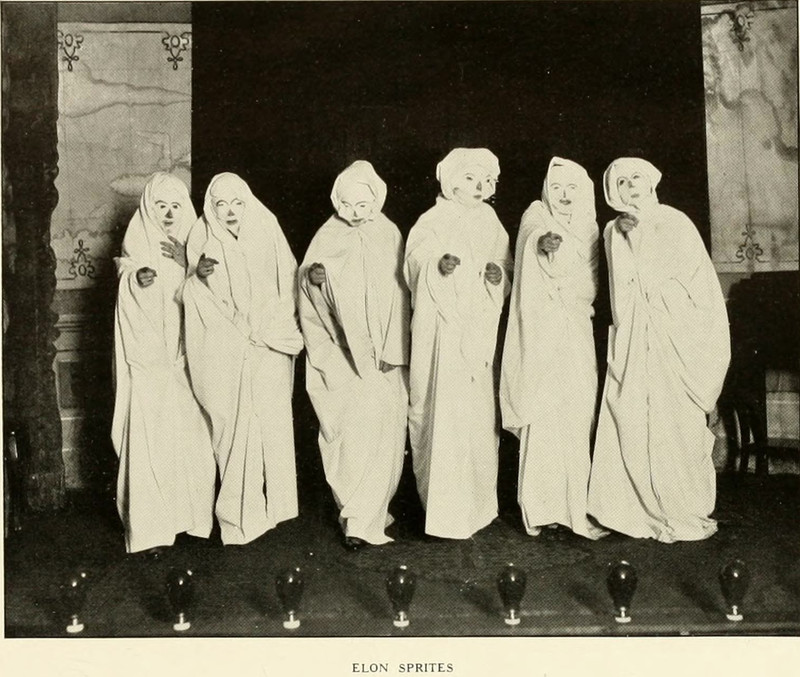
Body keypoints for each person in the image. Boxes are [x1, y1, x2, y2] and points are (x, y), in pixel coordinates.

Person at [588, 158, 730, 542]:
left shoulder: (676, 222)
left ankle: (680, 507)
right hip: (636, 341)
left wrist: (673, 311)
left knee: (677, 424)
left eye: (637, 177)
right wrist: (622, 237)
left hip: (675, 336)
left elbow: (697, 285)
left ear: (651, 181)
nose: (631, 185)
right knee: (632, 416)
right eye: (622, 181)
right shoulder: (613, 230)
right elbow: (622, 290)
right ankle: (631, 508)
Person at [182, 173, 304, 545]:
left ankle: (278, 508)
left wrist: (271, 328)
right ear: (211, 207)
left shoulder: (267, 227)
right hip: (227, 351)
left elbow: (289, 281)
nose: (230, 211)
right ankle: (238, 516)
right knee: (235, 429)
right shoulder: (202, 236)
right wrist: (198, 275)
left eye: (237, 202)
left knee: (273, 424)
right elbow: (194, 294)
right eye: (221, 204)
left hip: (269, 346)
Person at [299, 161, 410, 551]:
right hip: (342, 356)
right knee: (349, 438)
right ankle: (355, 513)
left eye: (364, 205)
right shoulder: (327, 235)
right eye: (349, 205)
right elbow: (308, 287)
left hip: (383, 358)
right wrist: (314, 281)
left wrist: (395, 350)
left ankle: (365, 519)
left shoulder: (389, 234)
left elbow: (402, 294)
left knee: (384, 434)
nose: (356, 213)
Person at [404, 148, 512, 539]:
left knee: (477, 416)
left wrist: (498, 276)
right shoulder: (432, 220)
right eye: (469, 178)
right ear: (450, 181)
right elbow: (414, 262)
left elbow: (506, 266)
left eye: (485, 180)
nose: (479, 186)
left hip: (477, 330)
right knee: (442, 411)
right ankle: (443, 511)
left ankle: (478, 505)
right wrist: (438, 265)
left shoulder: (491, 222)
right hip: (442, 333)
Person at [500, 157, 607, 539]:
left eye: (571, 188)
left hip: (575, 329)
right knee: (543, 415)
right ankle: (540, 509)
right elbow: (531, 239)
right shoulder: (536, 214)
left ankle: (573, 507)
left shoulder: (590, 226)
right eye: (556, 187)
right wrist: (541, 246)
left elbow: (591, 282)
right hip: (541, 332)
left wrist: (569, 291)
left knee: (576, 414)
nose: (563, 195)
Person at [111, 172, 216, 555]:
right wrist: (138, 279)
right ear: (148, 208)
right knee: (152, 442)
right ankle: (152, 528)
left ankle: (191, 518)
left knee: (193, 440)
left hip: (186, 361)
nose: (169, 213)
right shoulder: (138, 243)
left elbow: (214, 297)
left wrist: (191, 264)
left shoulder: (194, 246)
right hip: (151, 363)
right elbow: (128, 274)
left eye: (175, 206)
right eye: (161, 206)